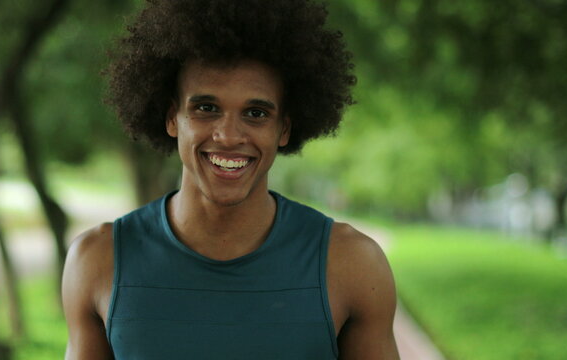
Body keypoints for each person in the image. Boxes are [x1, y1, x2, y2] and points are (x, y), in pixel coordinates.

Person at [62, 0, 399, 358]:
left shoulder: (352, 264)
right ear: (172, 118)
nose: (228, 135)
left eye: (255, 113)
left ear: (283, 129)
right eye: (206, 108)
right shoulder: (98, 262)